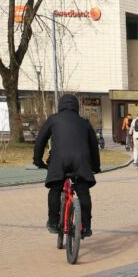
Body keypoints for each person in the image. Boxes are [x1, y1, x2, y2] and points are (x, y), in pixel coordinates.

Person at [33, 94, 101, 238]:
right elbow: (94, 146)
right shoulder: (84, 122)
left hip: (58, 161)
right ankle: (86, 227)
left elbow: (40, 141)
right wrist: (95, 166)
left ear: (60, 106)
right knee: (83, 193)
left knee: (55, 189)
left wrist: (37, 160)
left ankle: (52, 222)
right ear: (76, 107)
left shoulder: (53, 119)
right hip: (81, 161)